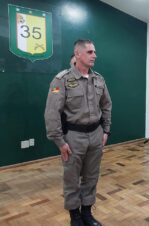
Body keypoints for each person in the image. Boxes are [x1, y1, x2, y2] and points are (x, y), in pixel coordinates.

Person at [45, 39, 112, 226]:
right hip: (73, 137)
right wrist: (60, 142)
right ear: (78, 54)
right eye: (90, 52)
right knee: (72, 178)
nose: (94, 55)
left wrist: (106, 130)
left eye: (95, 52)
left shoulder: (99, 79)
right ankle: (75, 216)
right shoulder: (62, 80)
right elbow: (52, 113)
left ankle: (87, 213)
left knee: (91, 176)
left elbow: (107, 105)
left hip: (96, 135)